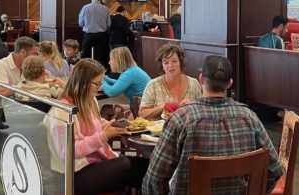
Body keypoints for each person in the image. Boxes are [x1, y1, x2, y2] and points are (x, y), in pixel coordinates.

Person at [142, 55, 283, 194]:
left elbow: (155, 179)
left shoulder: (181, 119)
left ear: (201, 79)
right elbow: (275, 169)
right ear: (229, 83)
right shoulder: (250, 117)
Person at [44, 59, 148, 193]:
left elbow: (95, 124)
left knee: (147, 167)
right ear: (83, 83)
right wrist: (104, 135)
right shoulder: (62, 111)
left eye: (101, 83)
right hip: (71, 176)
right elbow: (67, 152)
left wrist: (112, 125)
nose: (99, 88)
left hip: (94, 164)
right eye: (97, 83)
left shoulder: (89, 100)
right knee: (126, 164)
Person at [139, 45, 202, 120]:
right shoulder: (153, 85)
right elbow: (142, 114)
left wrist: (192, 106)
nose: (170, 65)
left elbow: (202, 111)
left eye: (174, 61)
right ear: (162, 65)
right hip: (159, 131)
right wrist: (163, 107)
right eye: (166, 62)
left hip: (187, 129)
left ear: (180, 62)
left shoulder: (193, 83)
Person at [0, 37, 39, 130]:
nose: (36, 57)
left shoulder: (27, 65)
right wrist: (23, 86)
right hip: (2, 113)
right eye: (34, 54)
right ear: (23, 52)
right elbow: (3, 92)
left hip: (22, 108)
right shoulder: (1, 65)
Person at [78, 0, 111, 68]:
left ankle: (85, 73)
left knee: (86, 56)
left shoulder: (85, 7)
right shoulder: (105, 8)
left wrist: (86, 26)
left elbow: (80, 22)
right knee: (100, 57)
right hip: (101, 35)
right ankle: (99, 74)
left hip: (88, 34)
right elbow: (108, 24)